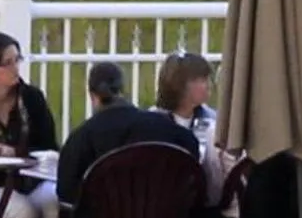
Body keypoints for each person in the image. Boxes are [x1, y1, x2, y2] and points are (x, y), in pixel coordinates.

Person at [55, 60, 199, 206]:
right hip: (163, 217)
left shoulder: (80, 138)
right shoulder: (165, 127)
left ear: (93, 96)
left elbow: (66, 194)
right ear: (122, 90)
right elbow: (192, 154)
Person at [156, 51, 232, 208]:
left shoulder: (214, 121)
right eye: (202, 79)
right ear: (179, 85)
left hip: (205, 206)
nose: (209, 84)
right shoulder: (152, 122)